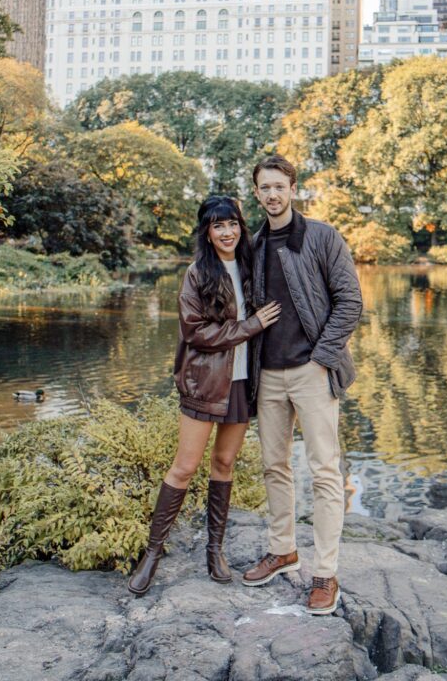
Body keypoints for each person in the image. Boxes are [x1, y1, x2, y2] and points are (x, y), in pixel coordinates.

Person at [128, 195, 281, 596]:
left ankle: (215, 551)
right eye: (218, 226)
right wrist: (249, 326)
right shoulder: (198, 273)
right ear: (207, 233)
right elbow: (196, 332)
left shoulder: (252, 266)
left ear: (240, 227)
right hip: (205, 381)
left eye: (232, 224)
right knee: (184, 466)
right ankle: (153, 554)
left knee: (225, 462)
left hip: (243, 382)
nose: (227, 232)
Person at [242, 154, 363, 615]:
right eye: (264, 188)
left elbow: (349, 301)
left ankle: (325, 574)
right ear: (257, 193)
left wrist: (321, 359)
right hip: (267, 375)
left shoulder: (322, 237)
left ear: (293, 187)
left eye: (279, 186)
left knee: (326, 472)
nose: (272, 194)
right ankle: (283, 550)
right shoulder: (252, 245)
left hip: (312, 371)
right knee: (274, 467)